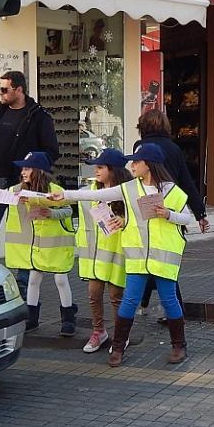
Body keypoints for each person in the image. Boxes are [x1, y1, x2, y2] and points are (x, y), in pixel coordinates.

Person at [50, 143, 192, 367]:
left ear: (149, 165)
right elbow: (97, 194)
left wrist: (168, 214)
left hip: (164, 257)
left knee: (169, 300)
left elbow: (187, 218)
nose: (132, 165)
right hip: (137, 257)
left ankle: (178, 345)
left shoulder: (172, 191)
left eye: (136, 161)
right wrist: (65, 194)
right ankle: (117, 347)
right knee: (129, 301)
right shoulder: (129, 188)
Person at [0, 152, 78, 336]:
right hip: (33, 248)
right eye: (23, 168)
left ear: (38, 171)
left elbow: (68, 209)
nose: (23, 172)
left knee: (60, 279)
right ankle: (32, 318)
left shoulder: (54, 190)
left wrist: (50, 213)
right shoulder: (16, 191)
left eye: (27, 168)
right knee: (34, 279)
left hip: (55, 245)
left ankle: (68, 318)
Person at [0, 71, 58, 265]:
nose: (1, 94)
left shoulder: (39, 116)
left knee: (24, 231)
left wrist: (32, 170)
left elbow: (51, 151)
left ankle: (25, 284)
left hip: (23, 183)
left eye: (5, 90)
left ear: (19, 90)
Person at [134, 110, 208, 320]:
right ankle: (157, 305)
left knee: (152, 261)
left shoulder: (140, 148)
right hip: (172, 211)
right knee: (165, 264)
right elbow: (186, 182)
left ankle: (173, 310)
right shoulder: (174, 149)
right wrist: (200, 213)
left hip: (146, 212)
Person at [76, 148, 132, 355]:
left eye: (100, 167)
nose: (96, 171)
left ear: (113, 169)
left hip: (118, 253)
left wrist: (124, 220)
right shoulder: (90, 190)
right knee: (94, 294)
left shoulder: (127, 192)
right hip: (95, 254)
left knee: (116, 295)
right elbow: (69, 200)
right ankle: (99, 331)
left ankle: (121, 335)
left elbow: (140, 219)